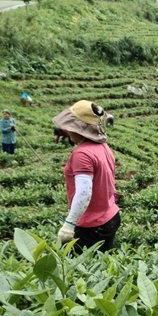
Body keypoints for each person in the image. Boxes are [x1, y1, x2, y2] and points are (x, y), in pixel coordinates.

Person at [54, 100, 121, 252]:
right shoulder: (103, 146)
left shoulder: (82, 154)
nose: (68, 131)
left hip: (92, 225)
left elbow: (84, 193)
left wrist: (69, 225)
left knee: (77, 271)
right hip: (110, 216)